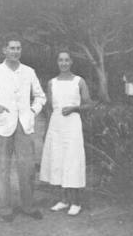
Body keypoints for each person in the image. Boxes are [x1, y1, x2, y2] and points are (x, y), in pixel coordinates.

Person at [0, 35, 46, 222]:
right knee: (3, 169)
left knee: (27, 169)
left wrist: (33, 110)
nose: (15, 51)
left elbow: (40, 96)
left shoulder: (29, 72)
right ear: (4, 50)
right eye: (12, 48)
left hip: (24, 126)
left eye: (18, 48)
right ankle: (5, 208)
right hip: (1, 127)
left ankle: (28, 206)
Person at [40, 50, 93, 215]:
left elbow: (89, 104)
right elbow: (49, 108)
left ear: (71, 62)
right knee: (57, 160)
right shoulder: (51, 83)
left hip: (72, 125)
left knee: (72, 160)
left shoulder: (79, 81)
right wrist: (47, 130)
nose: (63, 63)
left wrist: (74, 108)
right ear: (57, 62)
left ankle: (76, 202)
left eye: (66, 60)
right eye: (60, 60)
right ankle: (63, 200)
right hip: (56, 126)